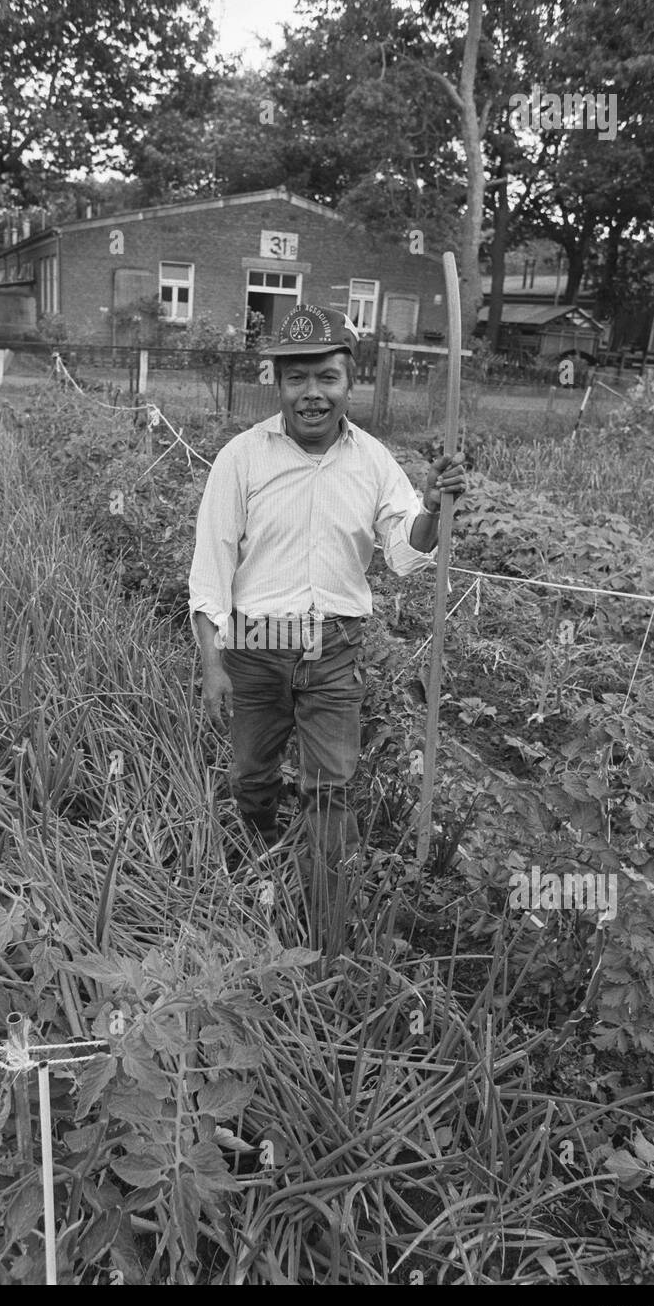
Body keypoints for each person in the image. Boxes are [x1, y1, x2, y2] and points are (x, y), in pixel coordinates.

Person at [188, 303, 466, 929]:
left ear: (349, 381)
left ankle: (325, 918)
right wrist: (213, 665)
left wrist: (431, 508)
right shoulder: (241, 458)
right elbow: (211, 566)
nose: (312, 394)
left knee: (332, 787)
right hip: (256, 646)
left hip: (335, 647)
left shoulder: (372, 460)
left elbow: (403, 551)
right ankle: (256, 854)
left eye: (327, 378)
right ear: (278, 383)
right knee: (252, 776)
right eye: (297, 378)